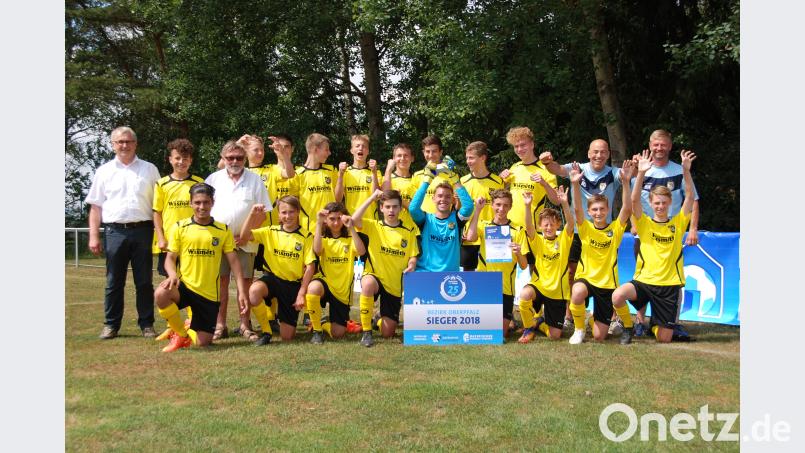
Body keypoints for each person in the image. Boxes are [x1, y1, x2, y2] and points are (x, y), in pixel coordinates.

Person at [613, 150, 697, 344]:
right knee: (617, 296)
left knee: (664, 339)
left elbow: (690, 197)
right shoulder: (644, 223)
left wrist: (686, 170)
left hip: (669, 285)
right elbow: (634, 200)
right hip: (644, 282)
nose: (660, 206)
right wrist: (641, 172)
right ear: (650, 203)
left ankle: (654, 325)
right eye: (657, 203)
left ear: (670, 203)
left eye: (664, 203)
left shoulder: (678, 223)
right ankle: (628, 327)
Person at [154, 183, 250, 352]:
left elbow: (235, 262)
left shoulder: (222, 230)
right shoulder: (180, 227)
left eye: (206, 202)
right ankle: (180, 334)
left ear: (212, 203)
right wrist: (172, 274)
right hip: (186, 287)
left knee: (203, 343)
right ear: (190, 203)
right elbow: (170, 258)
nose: (202, 207)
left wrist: (242, 291)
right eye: (197, 202)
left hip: (209, 295)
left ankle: (188, 327)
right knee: (161, 294)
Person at [86, 126, 161, 339]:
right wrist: (94, 235)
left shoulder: (149, 169)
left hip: (143, 231)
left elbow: (159, 204)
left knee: (144, 282)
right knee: (113, 282)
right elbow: (96, 206)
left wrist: (161, 234)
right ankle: (111, 325)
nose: (124, 145)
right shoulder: (104, 171)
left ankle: (147, 324)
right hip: (115, 232)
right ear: (113, 145)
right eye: (120, 142)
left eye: (128, 141)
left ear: (135, 144)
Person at [539, 139, 622, 329]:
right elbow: (556, 169)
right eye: (595, 151)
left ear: (608, 154)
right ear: (588, 153)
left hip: (603, 233)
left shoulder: (613, 173)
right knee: (571, 273)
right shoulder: (577, 168)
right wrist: (547, 161)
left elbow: (628, 175)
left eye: (603, 152)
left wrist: (635, 168)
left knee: (609, 274)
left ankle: (611, 317)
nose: (599, 155)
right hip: (578, 231)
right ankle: (570, 315)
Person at [630, 129, 700, 338]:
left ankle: (671, 322)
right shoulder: (642, 168)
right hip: (645, 233)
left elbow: (692, 199)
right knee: (642, 278)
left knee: (672, 278)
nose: (659, 148)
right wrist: (634, 224)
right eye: (656, 144)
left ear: (669, 146)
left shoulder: (680, 170)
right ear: (650, 146)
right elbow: (632, 201)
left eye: (663, 145)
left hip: (671, 233)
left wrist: (692, 228)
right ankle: (639, 321)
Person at [205, 140, 272, 341]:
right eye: (230, 158)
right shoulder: (213, 179)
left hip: (246, 242)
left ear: (245, 158)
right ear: (223, 158)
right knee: (221, 284)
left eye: (239, 158)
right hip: (218, 242)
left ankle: (245, 325)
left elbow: (263, 213)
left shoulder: (255, 180)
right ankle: (220, 325)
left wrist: (244, 236)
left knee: (245, 283)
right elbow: (204, 209)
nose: (235, 161)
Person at [566, 161, 634, 344]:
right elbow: (577, 209)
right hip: (586, 278)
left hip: (607, 284)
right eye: (594, 209)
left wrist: (626, 182)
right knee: (577, 291)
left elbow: (627, 209)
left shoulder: (615, 229)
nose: (598, 212)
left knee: (599, 336)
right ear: (589, 212)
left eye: (602, 209)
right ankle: (579, 329)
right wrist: (575, 184)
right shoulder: (586, 228)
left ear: (608, 210)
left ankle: (610, 322)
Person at [240, 196, 316, 343]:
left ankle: (315, 323)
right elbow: (244, 236)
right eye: (284, 212)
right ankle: (267, 332)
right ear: (278, 214)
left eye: (291, 212)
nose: (288, 216)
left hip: (292, 285)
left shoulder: (306, 236)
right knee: (254, 291)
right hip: (272, 280)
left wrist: (301, 293)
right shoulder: (270, 231)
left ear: (298, 212)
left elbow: (310, 267)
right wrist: (252, 214)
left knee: (287, 337)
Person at [151, 138, 205, 341]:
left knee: (191, 284)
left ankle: (192, 324)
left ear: (191, 160)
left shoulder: (198, 182)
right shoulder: (162, 184)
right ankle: (172, 326)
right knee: (169, 285)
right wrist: (160, 237)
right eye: (177, 158)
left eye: (185, 158)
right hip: (170, 245)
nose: (181, 162)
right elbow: (157, 212)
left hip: (192, 243)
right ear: (170, 159)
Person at [352, 189, 419, 347]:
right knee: (367, 283)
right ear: (381, 208)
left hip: (393, 285)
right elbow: (354, 220)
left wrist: (411, 265)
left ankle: (378, 319)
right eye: (387, 207)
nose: (391, 210)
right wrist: (371, 198)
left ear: (400, 208)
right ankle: (367, 332)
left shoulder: (409, 231)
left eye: (395, 207)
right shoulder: (373, 226)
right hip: (374, 275)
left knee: (388, 333)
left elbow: (413, 256)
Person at [464, 190, 528, 337]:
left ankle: (511, 322)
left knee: (500, 334)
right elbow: (471, 237)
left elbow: (524, 266)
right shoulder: (484, 225)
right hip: (485, 284)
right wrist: (478, 210)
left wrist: (518, 252)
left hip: (506, 288)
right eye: (498, 204)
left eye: (505, 205)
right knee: (482, 332)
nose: (501, 209)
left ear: (510, 207)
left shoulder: (518, 230)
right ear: (492, 205)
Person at [517, 185, 574, 343]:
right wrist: (527, 206)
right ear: (540, 226)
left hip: (557, 292)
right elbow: (529, 227)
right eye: (545, 225)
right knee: (524, 295)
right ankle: (529, 329)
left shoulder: (563, 240)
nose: (549, 227)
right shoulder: (538, 241)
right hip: (539, 286)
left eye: (552, 224)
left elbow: (571, 224)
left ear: (558, 225)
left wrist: (564, 203)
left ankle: (539, 323)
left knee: (554, 336)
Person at [305, 202, 367, 343]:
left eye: (339, 218)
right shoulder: (323, 237)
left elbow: (361, 251)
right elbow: (317, 251)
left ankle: (324, 323)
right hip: (325, 282)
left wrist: (351, 227)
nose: (336, 222)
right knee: (313, 288)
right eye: (332, 219)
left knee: (338, 333)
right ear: (326, 220)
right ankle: (317, 331)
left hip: (342, 291)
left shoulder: (350, 238)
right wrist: (319, 223)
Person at [409, 173, 474, 272]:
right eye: (439, 196)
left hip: (450, 276)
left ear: (452, 200)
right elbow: (413, 209)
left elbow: (469, 206)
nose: (443, 199)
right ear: (433, 199)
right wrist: (426, 182)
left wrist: (455, 181)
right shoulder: (425, 219)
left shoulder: (457, 219)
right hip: (425, 273)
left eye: (448, 197)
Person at [499, 126, 559, 229]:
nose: (519, 149)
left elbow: (557, 201)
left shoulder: (546, 168)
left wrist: (545, 184)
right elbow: (500, 193)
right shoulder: (515, 167)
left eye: (523, 145)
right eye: (516, 146)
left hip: (533, 228)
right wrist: (501, 179)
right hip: (510, 227)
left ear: (532, 144)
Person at [459, 141, 504, 271]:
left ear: (483, 158)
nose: (468, 161)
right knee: (468, 277)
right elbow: (458, 209)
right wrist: (460, 230)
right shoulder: (462, 181)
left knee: (492, 275)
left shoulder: (498, 181)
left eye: (471, 158)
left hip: (493, 235)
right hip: (469, 235)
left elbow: (502, 209)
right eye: (467, 158)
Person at [295, 133, 337, 232]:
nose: (329, 153)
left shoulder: (331, 171)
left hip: (331, 230)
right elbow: (293, 207)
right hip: (309, 231)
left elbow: (338, 199)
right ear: (315, 149)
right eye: (326, 149)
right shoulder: (298, 174)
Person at [335, 134, 382, 221]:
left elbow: (376, 197)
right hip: (351, 221)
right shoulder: (345, 172)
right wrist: (341, 174)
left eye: (364, 146)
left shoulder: (375, 172)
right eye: (357, 146)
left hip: (371, 221)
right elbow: (338, 199)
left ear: (368, 151)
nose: (360, 148)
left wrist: (374, 173)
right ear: (351, 150)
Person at [410, 135, 461, 214]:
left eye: (434, 151)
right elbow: (413, 203)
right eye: (427, 151)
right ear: (423, 152)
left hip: (444, 219)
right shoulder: (417, 175)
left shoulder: (452, 175)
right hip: (422, 220)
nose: (431, 155)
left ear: (440, 152)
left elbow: (457, 205)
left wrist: (458, 199)